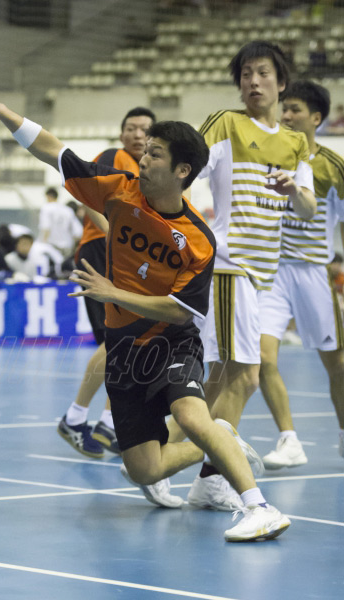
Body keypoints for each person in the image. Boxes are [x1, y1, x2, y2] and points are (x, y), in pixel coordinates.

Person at [0, 81, 292, 542]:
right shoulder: (118, 189)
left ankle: (260, 508)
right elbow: (53, 150)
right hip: (125, 350)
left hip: (171, 343)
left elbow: (180, 313)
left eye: (154, 154)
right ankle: (223, 438)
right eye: (145, 151)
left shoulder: (198, 240)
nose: (143, 160)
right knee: (143, 470)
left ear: (182, 171)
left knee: (191, 417)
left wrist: (114, 292)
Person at [167, 41, 316, 511]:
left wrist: (294, 191)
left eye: (262, 73)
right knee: (246, 377)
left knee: (220, 378)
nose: (253, 81)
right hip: (231, 266)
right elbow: (184, 171)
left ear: (281, 82)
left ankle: (156, 453)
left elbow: (308, 208)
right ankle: (211, 478)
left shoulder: (296, 142)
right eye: (246, 74)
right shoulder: (226, 124)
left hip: (264, 274)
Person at [58, 107, 156, 459]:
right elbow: (86, 195)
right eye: (131, 128)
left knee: (130, 344)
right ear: (120, 134)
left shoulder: (150, 170)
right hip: (103, 250)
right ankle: (78, 418)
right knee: (120, 341)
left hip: (129, 257)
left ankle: (106, 425)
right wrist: (115, 235)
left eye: (144, 129)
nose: (137, 134)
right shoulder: (114, 157)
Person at [259, 81, 344, 467]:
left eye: (295, 109)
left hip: (314, 273)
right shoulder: (266, 157)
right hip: (271, 273)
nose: (287, 116)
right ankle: (289, 440)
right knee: (262, 357)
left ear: (316, 118)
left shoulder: (333, 167)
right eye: (285, 109)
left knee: (337, 363)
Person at [38, 187, 83, 262]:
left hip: (52, 247)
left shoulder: (46, 208)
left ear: (48, 196)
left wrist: (43, 245)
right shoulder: (68, 210)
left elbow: (46, 228)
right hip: (67, 248)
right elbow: (78, 232)